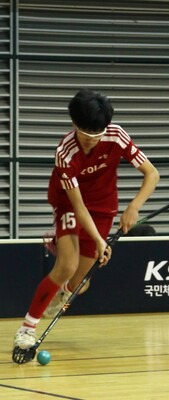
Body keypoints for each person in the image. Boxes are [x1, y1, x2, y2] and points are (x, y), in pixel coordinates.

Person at [13, 89, 160, 350]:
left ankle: (65, 277)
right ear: (74, 124)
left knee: (80, 282)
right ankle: (27, 329)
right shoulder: (65, 151)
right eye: (86, 133)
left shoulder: (116, 135)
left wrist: (133, 207)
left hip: (104, 207)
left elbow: (152, 174)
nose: (92, 140)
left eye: (97, 134)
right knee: (67, 265)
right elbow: (79, 206)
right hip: (70, 203)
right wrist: (100, 241)